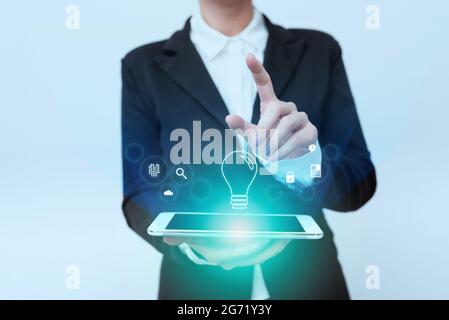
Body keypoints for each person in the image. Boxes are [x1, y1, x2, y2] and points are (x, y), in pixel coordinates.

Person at [121, 0, 376, 299]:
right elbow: (139, 190)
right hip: (194, 291)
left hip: (310, 282)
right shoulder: (142, 66)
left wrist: (305, 165)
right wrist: (190, 246)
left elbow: (360, 182)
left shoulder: (319, 51)